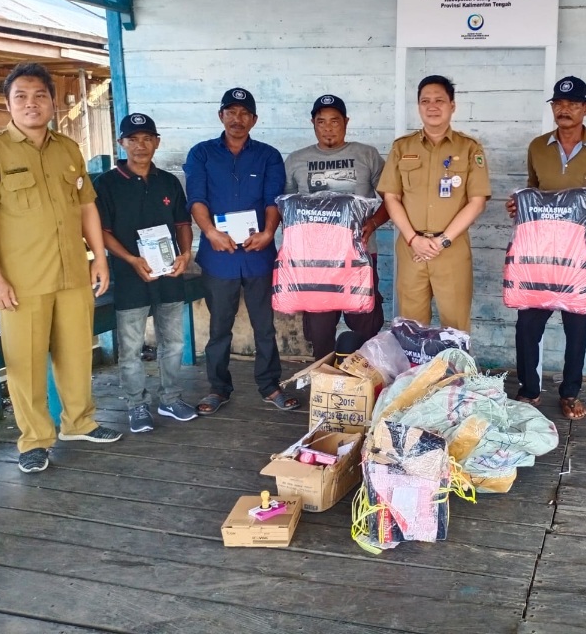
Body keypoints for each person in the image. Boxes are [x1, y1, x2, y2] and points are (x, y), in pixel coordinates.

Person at [0, 62, 121, 473]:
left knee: (75, 352)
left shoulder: (68, 149)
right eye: (21, 97)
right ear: (8, 103)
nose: (31, 104)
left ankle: (78, 421)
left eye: (39, 96)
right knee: (25, 361)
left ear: (52, 102)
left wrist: (99, 256)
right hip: (21, 279)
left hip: (72, 272)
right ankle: (34, 439)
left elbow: (87, 205)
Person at [506, 76, 586, 421]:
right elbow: (532, 191)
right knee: (527, 324)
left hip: (581, 255)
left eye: (572, 105)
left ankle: (570, 393)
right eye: (558, 104)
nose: (564, 110)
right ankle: (529, 390)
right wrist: (517, 208)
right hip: (539, 256)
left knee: (577, 327)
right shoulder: (537, 147)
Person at [183, 87, 298, 414]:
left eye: (244, 113)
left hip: (258, 254)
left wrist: (268, 232)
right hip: (218, 257)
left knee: (265, 325)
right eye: (231, 112)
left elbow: (273, 200)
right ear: (221, 116)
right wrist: (209, 232)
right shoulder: (201, 154)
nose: (237, 119)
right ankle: (218, 389)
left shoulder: (268, 155)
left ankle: (269, 385)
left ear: (254, 119)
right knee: (219, 328)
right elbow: (196, 199)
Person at [95, 113, 199, 433]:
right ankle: (136, 404)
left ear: (157, 142)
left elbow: (183, 224)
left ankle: (169, 397)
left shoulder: (168, 182)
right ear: (121, 143)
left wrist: (185, 254)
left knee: (174, 342)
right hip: (130, 276)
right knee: (131, 347)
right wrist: (130, 259)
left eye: (146, 139)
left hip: (169, 275)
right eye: (133, 139)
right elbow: (102, 231)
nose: (140, 146)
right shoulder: (107, 184)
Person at [377, 75, 491, 333]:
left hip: (451, 250)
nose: (432, 106)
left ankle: (455, 374)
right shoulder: (401, 147)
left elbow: (477, 202)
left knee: (456, 326)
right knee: (412, 327)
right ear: (418, 107)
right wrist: (412, 239)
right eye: (425, 101)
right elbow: (391, 197)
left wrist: (443, 241)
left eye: (440, 100)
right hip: (412, 249)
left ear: (453, 105)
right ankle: (417, 375)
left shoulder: (470, 148)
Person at [283, 94, 390, 359]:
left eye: (335, 121)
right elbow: (286, 208)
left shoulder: (367, 155)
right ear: (313, 123)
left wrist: (373, 223)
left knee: (365, 324)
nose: (328, 127)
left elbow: (393, 199)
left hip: (359, 256)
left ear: (346, 122)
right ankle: (323, 383)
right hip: (315, 262)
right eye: (321, 122)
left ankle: (368, 382)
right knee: (320, 330)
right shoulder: (296, 159)